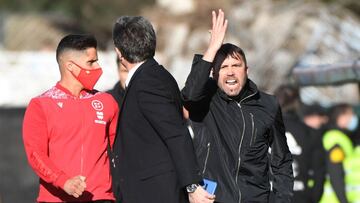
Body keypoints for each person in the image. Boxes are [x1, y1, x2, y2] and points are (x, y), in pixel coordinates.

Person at [181, 10, 294, 203]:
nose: (230, 72)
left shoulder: (268, 104)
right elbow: (189, 95)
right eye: (223, 67)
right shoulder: (205, 99)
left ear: (247, 70)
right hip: (213, 198)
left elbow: (281, 160)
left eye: (236, 65)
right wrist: (212, 49)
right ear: (214, 74)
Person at [111, 15, 215, 203]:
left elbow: (175, 133)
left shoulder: (147, 82)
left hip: (156, 192)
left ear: (119, 52)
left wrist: (192, 186)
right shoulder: (154, 75)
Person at [22, 34, 119, 202]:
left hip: (100, 197)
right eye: (91, 62)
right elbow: (36, 155)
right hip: (56, 198)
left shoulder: (107, 102)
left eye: (97, 61)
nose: (98, 67)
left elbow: (121, 150)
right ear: (70, 66)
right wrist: (63, 181)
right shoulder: (41, 105)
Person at [274, 84, 324, 203]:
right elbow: (319, 172)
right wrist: (313, 197)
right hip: (300, 195)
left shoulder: (259, 131)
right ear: (298, 104)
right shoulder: (310, 133)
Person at [320, 103, 360, 203]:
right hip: (334, 200)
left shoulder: (343, 137)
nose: (353, 118)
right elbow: (335, 173)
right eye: (350, 114)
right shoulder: (335, 140)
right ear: (341, 117)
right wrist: (343, 200)